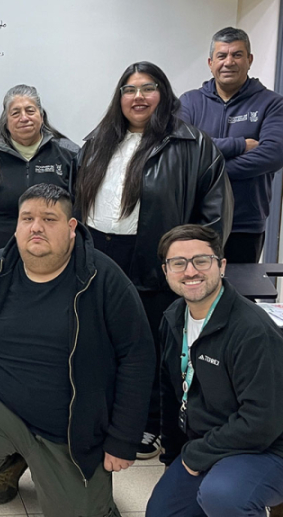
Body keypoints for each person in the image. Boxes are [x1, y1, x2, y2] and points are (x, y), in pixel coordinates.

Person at [0, 184, 155, 516]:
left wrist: (123, 438)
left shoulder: (104, 278)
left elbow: (138, 358)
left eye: (49, 219)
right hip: (0, 404)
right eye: (27, 218)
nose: (36, 227)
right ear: (17, 226)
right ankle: (14, 460)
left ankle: (44, 465)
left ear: (72, 227)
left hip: (70, 428)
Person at [76, 61, 232, 459]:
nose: (138, 97)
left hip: (153, 256)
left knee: (148, 343)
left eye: (148, 88)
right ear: (119, 97)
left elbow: (214, 214)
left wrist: (193, 261)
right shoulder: (97, 142)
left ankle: (149, 422)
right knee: (101, 338)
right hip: (99, 253)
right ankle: (109, 415)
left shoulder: (194, 145)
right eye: (129, 90)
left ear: (164, 93)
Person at [146, 225, 283, 517]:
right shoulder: (173, 319)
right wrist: (173, 457)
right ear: (166, 271)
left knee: (222, 496)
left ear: (221, 265)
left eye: (201, 260)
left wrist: (196, 454)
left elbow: (262, 421)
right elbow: (171, 397)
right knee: (162, 512)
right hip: (213, 441)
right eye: (178, 263)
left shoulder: (252, 331)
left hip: (269, 447)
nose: (190, 271)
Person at [178, 27, 283, 263]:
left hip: (245, 224)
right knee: (194, 284)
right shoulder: (190, 102)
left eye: (237, 55)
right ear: (210, 63)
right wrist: (238, 145)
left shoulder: (272, 103)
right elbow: (182, 150)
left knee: (239, 286)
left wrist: (206, 171)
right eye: (222, 55)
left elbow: (273, 154)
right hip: (194, 220)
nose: (229, 62)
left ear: (249, 60)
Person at [0, 84, 78, 261]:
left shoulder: (69, 154)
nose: (24, 118)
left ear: (41, 115)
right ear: (6, 120)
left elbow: (80, 211)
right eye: (15, 113)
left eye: (30, 111)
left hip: (54, 259)